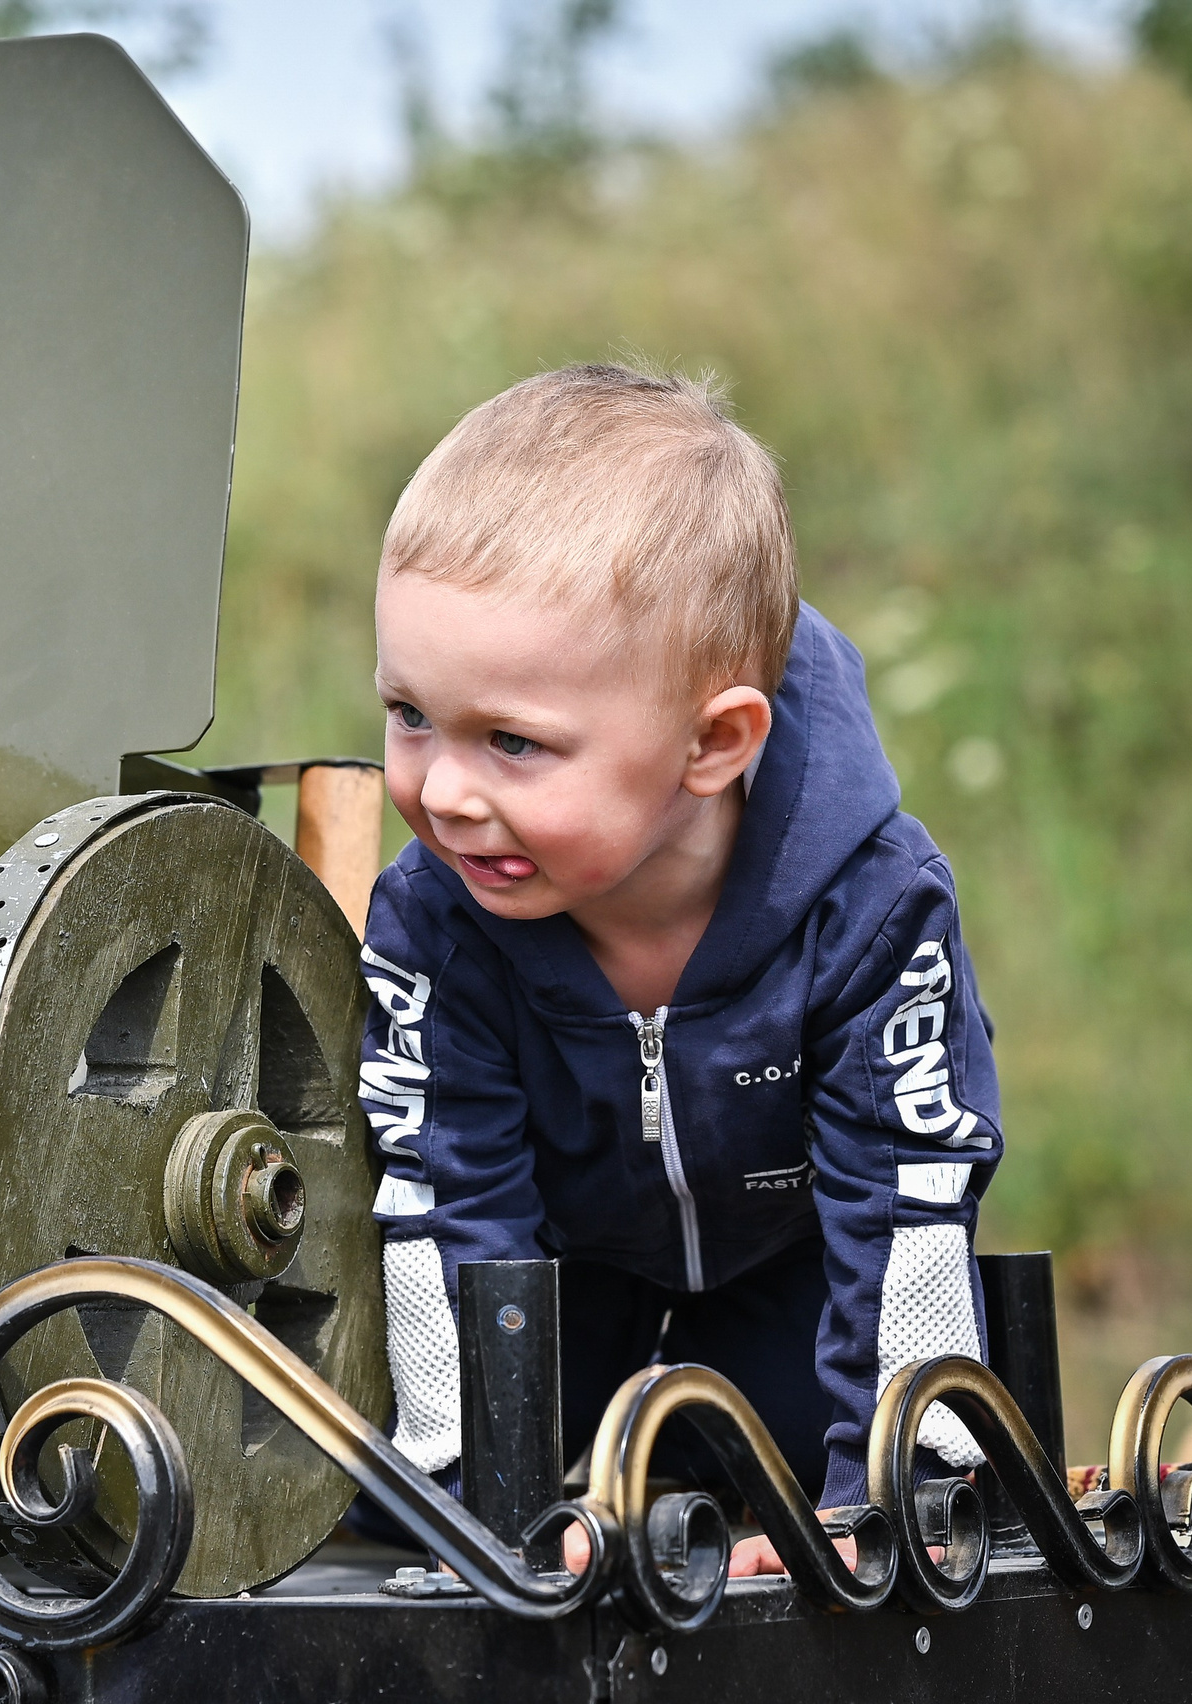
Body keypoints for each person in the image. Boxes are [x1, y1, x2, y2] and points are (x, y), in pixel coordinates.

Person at [360, 363, 998, 1576]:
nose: (442, 793)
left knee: (922, 1463)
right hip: (559, 1292)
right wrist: (470, 1511)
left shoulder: (872, 906)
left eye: (511, 742)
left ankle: (820, 1486)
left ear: (712, 742)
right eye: (409, 715)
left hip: (799, 1287)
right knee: (384, 1502)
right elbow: (446, 1202)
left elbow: (905, 1199)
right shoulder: (435, 918)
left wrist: (884, 1509)